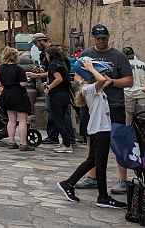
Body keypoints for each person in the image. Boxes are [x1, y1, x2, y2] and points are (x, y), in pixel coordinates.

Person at [57, 59, 127, 209]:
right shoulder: (89, 88)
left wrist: (98, 70)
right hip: (100, 130)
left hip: (99, 129)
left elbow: (105, 80)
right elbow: (102, 80)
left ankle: (68, 183)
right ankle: (103, 197)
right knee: (100, 164)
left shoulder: (93, 88)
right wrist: (90, 68)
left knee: (92, 161)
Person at [77, 25, 134, 194]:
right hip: (93, 105)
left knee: (118, 141)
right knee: (93, 140)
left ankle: (122, 179)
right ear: (93, 38)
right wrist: (82, 83)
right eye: (98, 38)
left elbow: (129, 81)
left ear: (108, 37)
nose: (101, 41)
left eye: (104, 38)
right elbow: (77, 74)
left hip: (114, 104)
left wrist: (113, 82)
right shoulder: (86, 54)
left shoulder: (118, 56)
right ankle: (92, 177)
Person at [0, 47, 33, 151]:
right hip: (18, 94)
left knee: (11, 120)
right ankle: (23, 144)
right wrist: (27, 78)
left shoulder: (1, 68)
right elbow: (23, 84)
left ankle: (11, 142)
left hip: (6, 94)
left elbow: (1, 81)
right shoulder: (19, 69)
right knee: (22, 120)